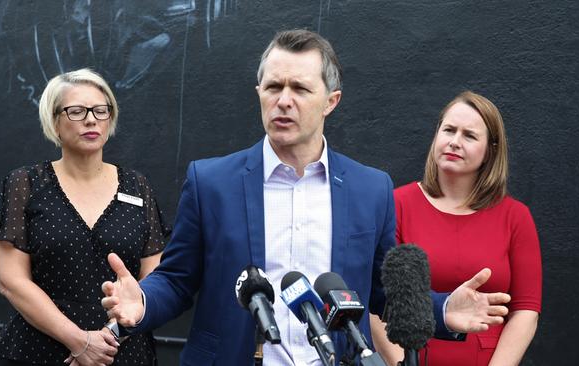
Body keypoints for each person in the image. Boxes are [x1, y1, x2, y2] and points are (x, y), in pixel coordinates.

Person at [101, 30, 511, 365]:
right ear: (259, 92)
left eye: (300, 88)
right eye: (274, 86)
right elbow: (176, 280)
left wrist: (439, 310)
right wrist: (142, 301)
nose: (284, 100)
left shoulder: (371, 188)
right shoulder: (210, 181)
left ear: (331, 101)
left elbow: (382, 291)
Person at [0, 69, 169, 366]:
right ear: (54, 121)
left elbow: (155, 279)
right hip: (37, 351)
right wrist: (80, 341)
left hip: (121, 352)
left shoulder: (137, 186)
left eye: (101, 110)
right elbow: (10, 280)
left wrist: (107, 340)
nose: (90, 119)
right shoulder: (26, 183)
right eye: (76, 111)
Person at [374, 91, 542, 365]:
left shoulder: (515, 217)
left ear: (490, 151)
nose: (454, 142)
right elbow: (375, 304)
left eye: (469, 135)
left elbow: (526, 310)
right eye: (448, 130)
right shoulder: (397, 205)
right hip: (411, 358)